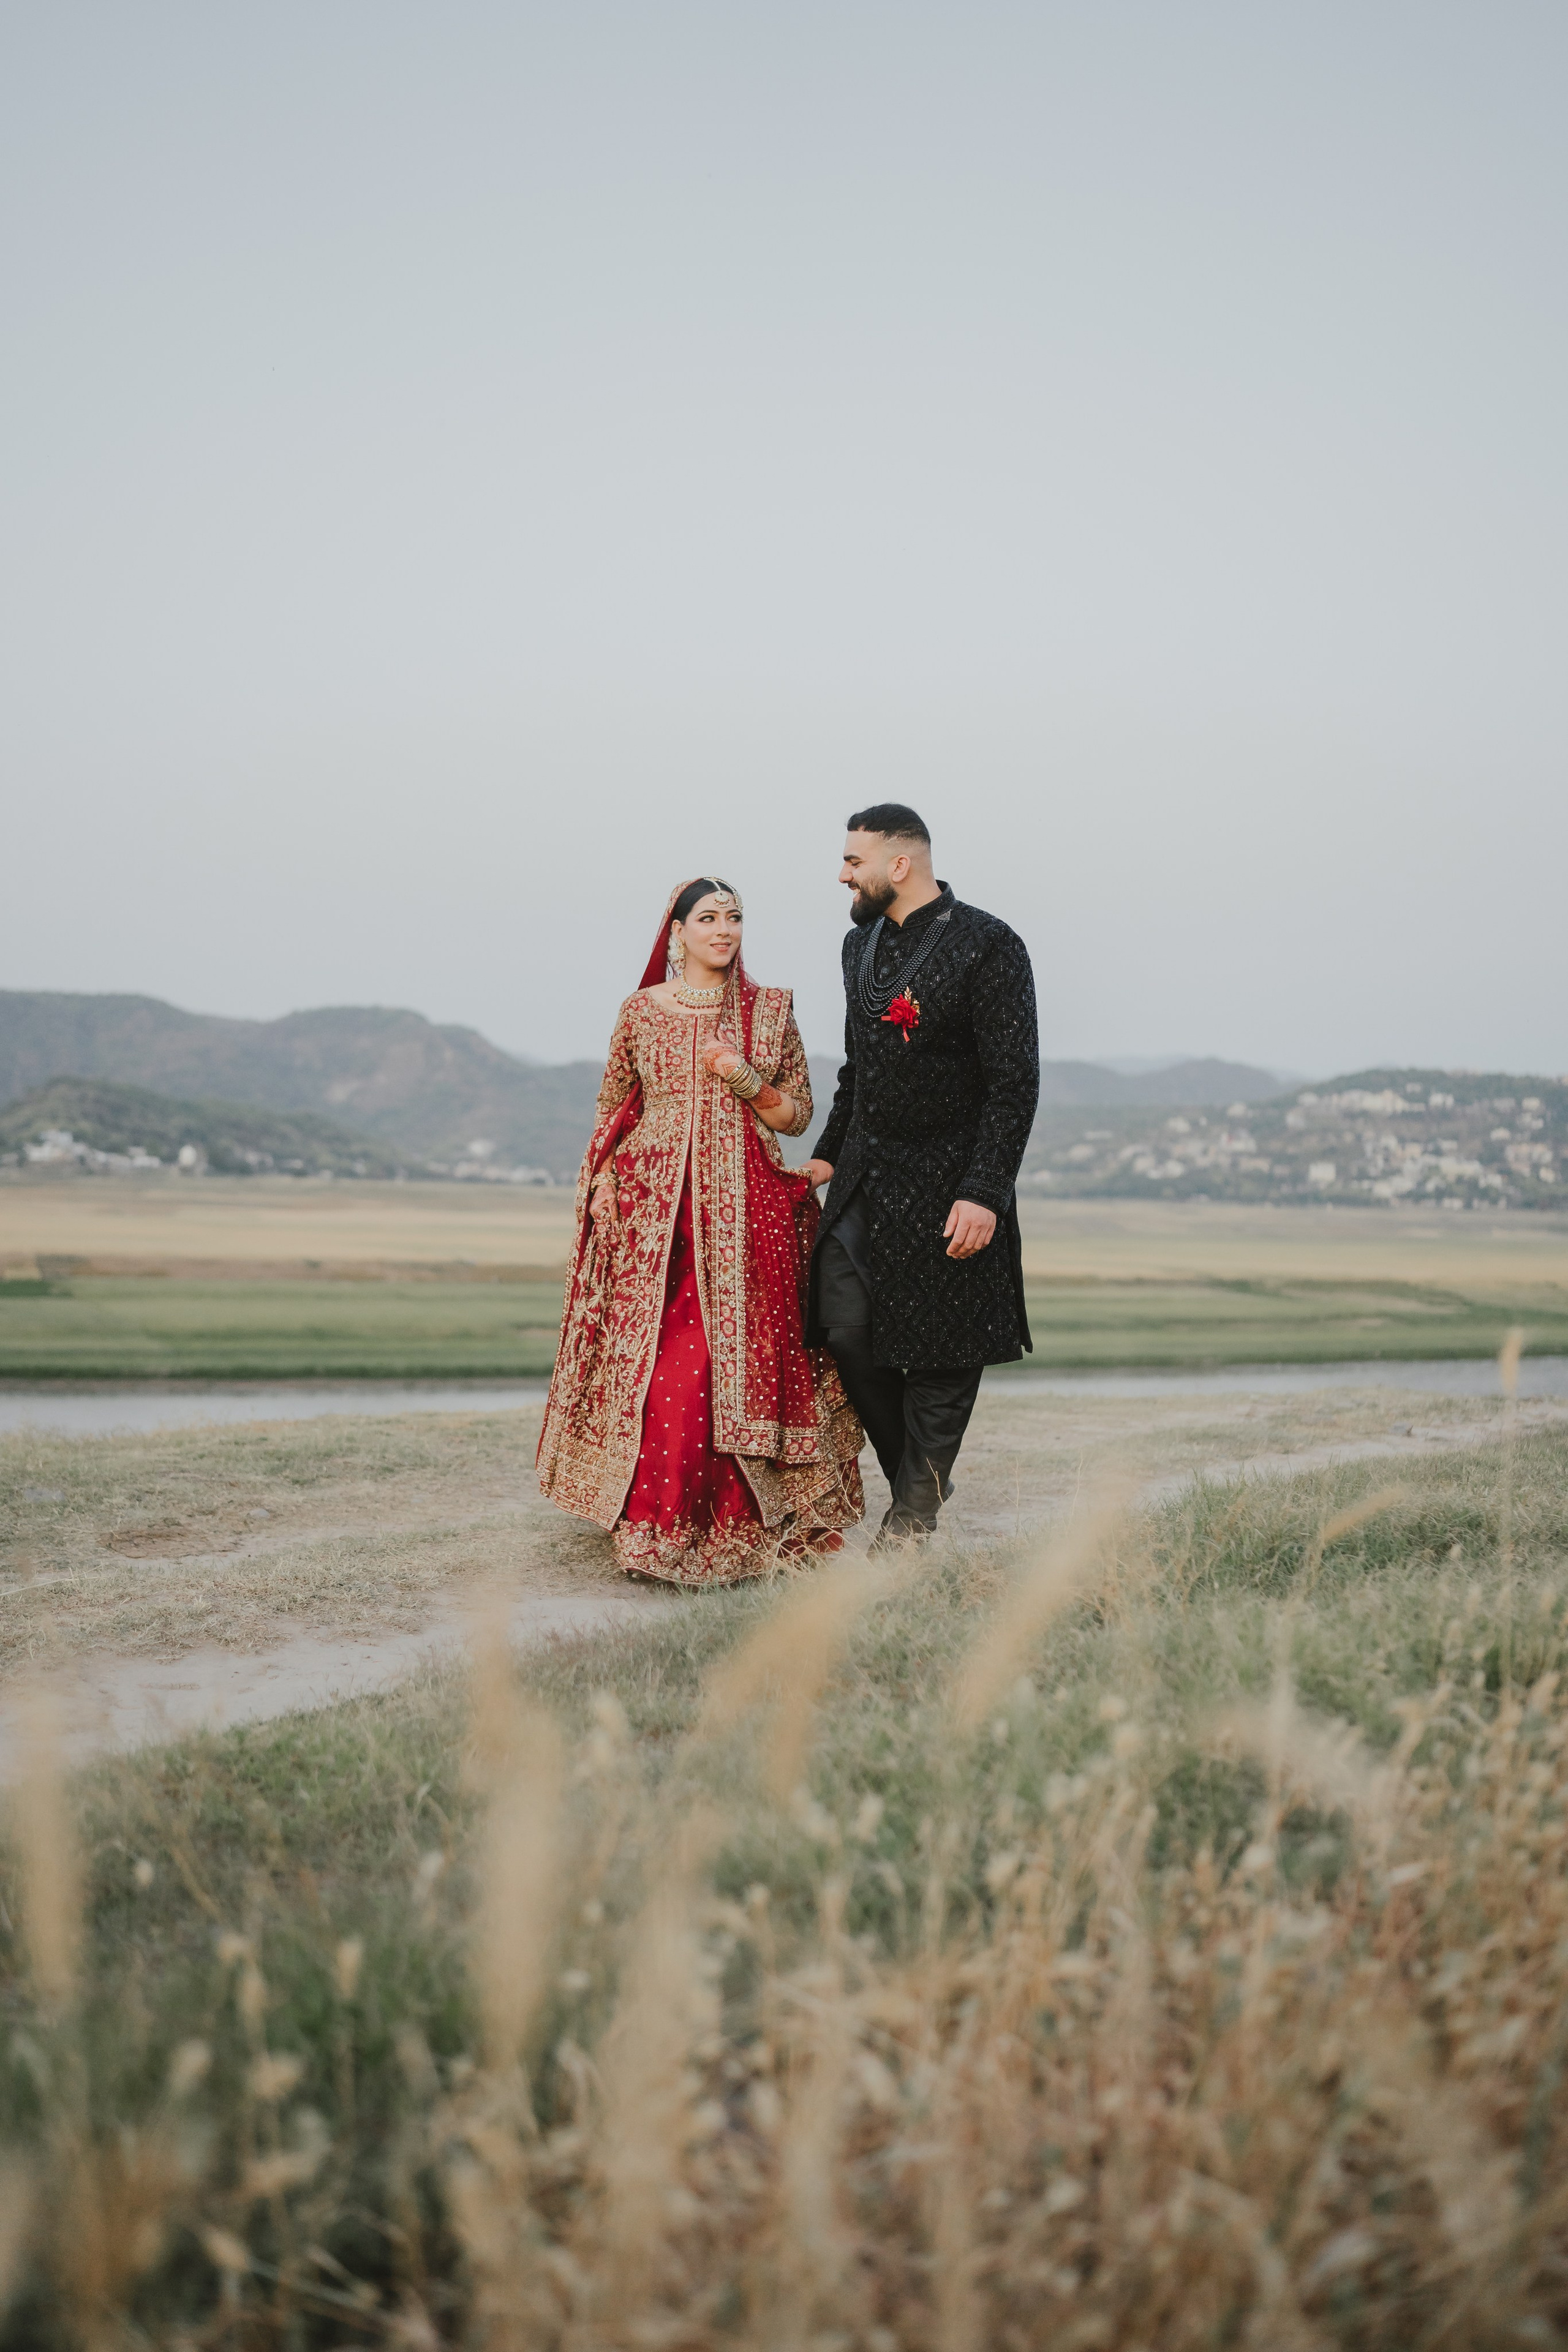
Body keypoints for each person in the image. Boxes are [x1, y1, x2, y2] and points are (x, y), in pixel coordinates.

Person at [538, 877, 864, 1585]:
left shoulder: (769, 1011)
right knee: (659, 1372)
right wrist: (601, 1190)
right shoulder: (641, 1013)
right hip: (653, 1223)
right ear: (677, 931)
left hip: (744, 1221)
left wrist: (743, 1076)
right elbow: (612, 1114)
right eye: (709, 918)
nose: (725, 930)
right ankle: (656, 1531)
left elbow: (796, 1117)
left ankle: (738, 1531)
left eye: (735, 918)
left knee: (720, 1365)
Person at [803, 805, 1039, 1542]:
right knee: (845, 1332)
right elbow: (857, 1069)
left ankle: (908, 1524)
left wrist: (983, 1192)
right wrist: (828, 1151)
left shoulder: (989, 944)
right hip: (868, 1178)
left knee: (943, 1355)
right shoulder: (858, 945)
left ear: (897, 865)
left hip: (949, 1181)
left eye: (853, 861)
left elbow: (1014, 1083)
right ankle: (921, 1484)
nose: (842, 873)